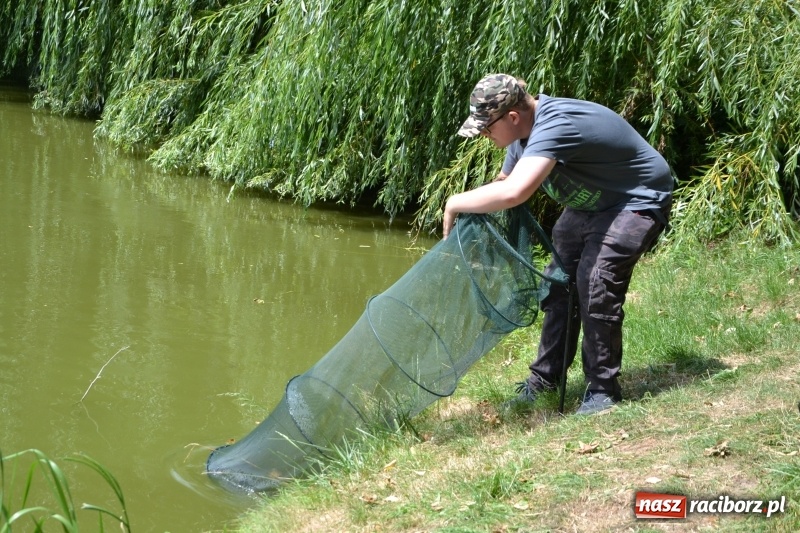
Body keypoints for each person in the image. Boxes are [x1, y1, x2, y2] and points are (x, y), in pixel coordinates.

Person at [443, 73, 674, 415]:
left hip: (635, 200)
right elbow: (506, 181)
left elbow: (515, 193)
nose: (483, 134)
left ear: (512, 117)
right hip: (589, 204)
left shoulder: (555, 124)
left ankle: (602, 392)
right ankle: (544, 380)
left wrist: (454, 201)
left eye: (487, 127)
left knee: (594, 284)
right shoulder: (520, 136)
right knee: (558, 286)